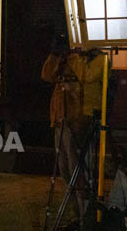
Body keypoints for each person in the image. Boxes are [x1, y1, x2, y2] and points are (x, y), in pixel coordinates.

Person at [41, 35, 106, 220]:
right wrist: (55, 55)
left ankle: (85, 218)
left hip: (80, 119)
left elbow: (87, 76)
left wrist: (74, 56)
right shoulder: (70, 59)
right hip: (61, 118)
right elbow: (47, 75)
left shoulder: (100, 58)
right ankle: (76, 215)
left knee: (78, 169)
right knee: (64, 168)